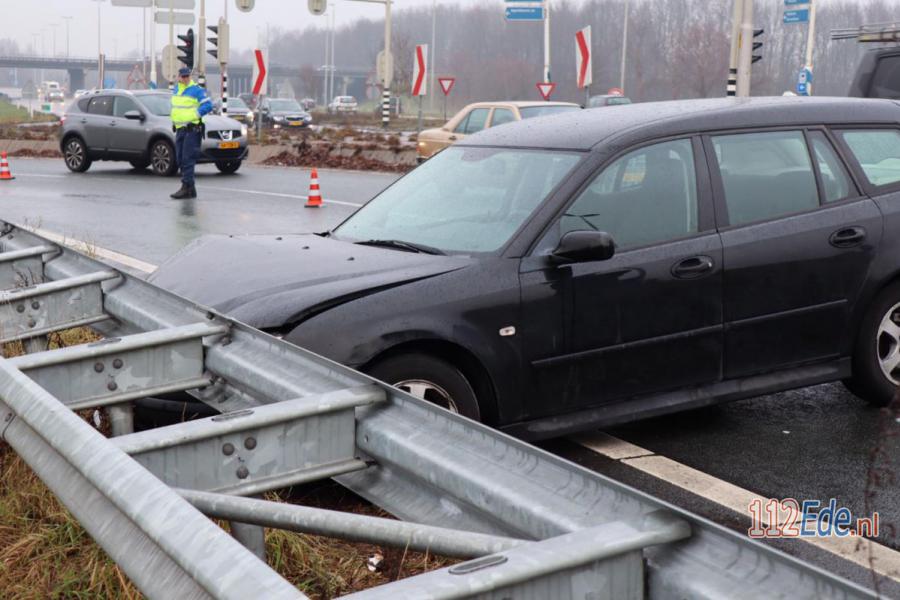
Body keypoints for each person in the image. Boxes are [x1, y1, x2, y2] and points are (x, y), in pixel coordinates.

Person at [170, 67, 213, 199]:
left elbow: (208, 105)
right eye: (183, 76)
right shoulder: (176, 89)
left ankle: (186, 187)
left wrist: (195, 115)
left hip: (192, 129)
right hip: (180, 129)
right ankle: (190, 188)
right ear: (178, 77)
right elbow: (176, 108)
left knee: (187, 159)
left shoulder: (197, 90)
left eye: (187, 76)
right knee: (179, 158)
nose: (185, 78)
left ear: (190, 77)